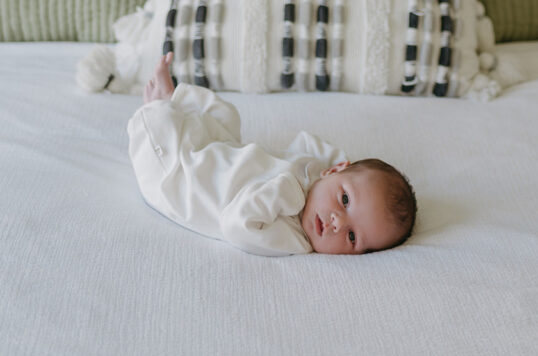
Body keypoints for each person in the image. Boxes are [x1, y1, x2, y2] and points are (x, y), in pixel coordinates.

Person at [128, 53, 416, 256]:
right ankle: (175, 99)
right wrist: (338, 165)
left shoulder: (292, 238)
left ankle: (157, 106)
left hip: (180, 181)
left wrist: (284, 192)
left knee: (160, 135)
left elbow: (235, 227)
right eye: (344, 200)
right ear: (334, 170)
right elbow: (308, 142)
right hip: (222, 155)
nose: (337, 223)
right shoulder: (319, 173)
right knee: (225, 115)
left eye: (352, 237)